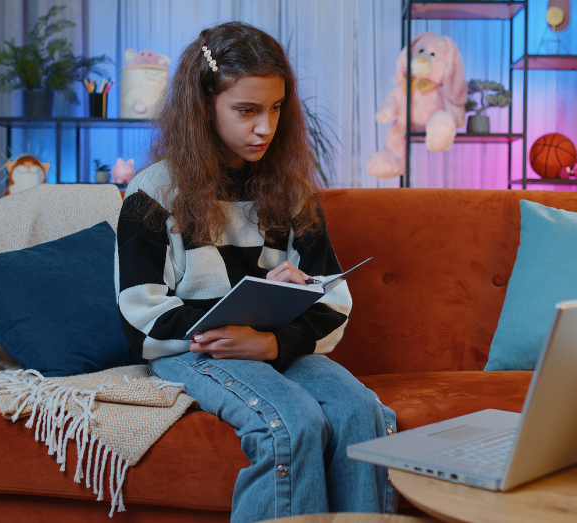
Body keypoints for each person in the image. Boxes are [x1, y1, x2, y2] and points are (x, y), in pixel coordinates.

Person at [115, 21, 397, 523]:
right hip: (193, 352)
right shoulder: (153, 193)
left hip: (271, 344)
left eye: (275, 108)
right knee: (291, 423)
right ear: (204, 107)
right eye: (246, 110)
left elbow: (333, 300)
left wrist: (272, 341)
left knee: (362, 413)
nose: (265, 127)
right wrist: (234, 329)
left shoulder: (291, 193)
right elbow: (141, 313)